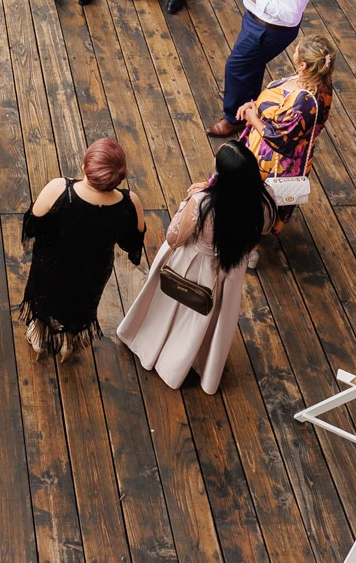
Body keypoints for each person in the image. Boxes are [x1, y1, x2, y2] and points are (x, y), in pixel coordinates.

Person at [114, 142, 272, 394]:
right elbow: (262, 230)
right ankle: (200, 362)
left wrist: (188, 200)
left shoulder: (202, 202)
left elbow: (173, 237)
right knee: (211, 318)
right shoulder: (264, 202)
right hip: (229, 272)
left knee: (174, 311)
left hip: (192, 265)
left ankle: (159, 351)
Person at [19, 138, 151, 358]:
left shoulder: (59, 190)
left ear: (85, 167)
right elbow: (132, 244)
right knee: (80, 303)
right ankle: (69, 343)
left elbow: (32, 227)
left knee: (45, 297)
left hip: (53, 264)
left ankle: (39, 338)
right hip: (93, 270)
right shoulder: (130, 203)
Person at [212, 0, 319, 136]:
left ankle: (233, 119)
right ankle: (248, 101)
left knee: (236, 67)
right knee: (252, 65)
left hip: (268, 29)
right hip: (259, 22)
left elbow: (290, 15)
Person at [235, 34, 335, 233]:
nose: (294, 51)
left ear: (303, 65)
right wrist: (255, 106)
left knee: (256, 200)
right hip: (264, 144)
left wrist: (253, 118)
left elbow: (281, 140)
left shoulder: (305, 102)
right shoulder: (312, 79)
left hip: (274, 160)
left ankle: (251, 238)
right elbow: (279, 111)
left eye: (297, 50)